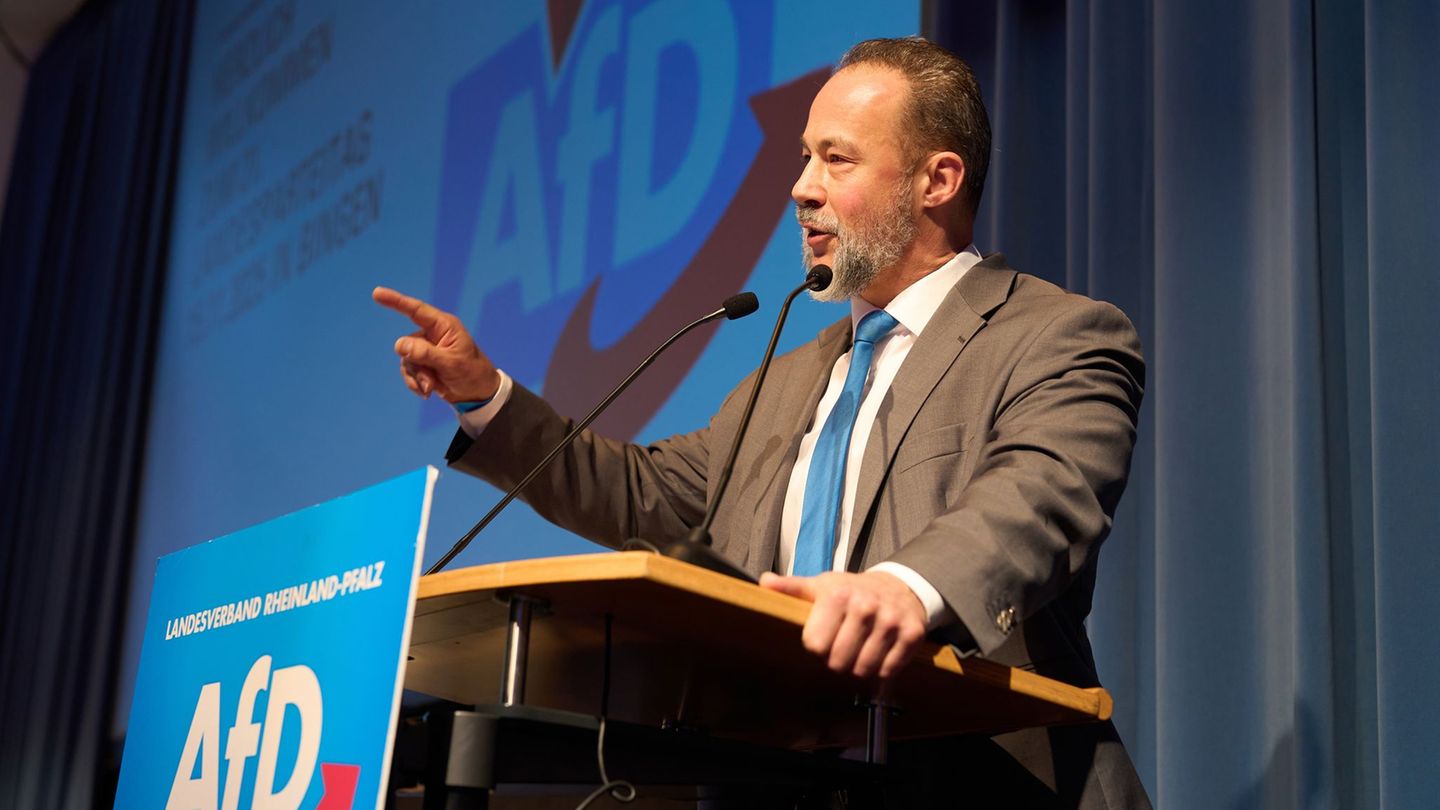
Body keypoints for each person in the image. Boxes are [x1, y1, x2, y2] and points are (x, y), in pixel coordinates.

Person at [376, 36, 1150, 809]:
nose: (800, 188)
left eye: (835, 160)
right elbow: (641, 493)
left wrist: (904, 589)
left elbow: (1041, 495)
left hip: (982, 782)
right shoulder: (777, 386)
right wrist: (487, 398)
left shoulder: (1056, 335)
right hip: (771, 780)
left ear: (936, 180)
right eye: (804, 157)